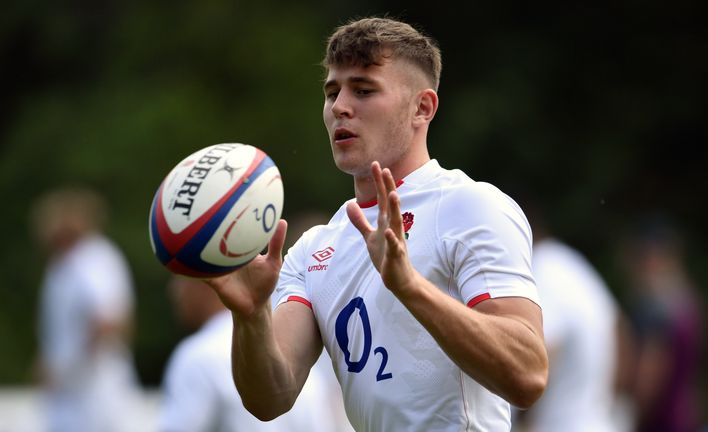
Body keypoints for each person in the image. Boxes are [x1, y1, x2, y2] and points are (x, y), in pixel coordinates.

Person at [206, 16, 548, 431]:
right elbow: (269, 398)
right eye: (332, 92)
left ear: (422, 108)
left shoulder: (470, 206)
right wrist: (250, 315)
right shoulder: (314, 248)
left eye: (363, 90)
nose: (340, 107)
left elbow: (528, 376)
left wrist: (409, 286)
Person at [159, 275, 352, 432]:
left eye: (180, 277)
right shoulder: (302, 365)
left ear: (205, 285)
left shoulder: (197, 356)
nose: (173, 291)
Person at [31, 186, 141, 432]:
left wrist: (68, 366)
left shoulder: (95, 257)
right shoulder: (62, 265)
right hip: (68, 394)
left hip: (95, 391)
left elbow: (107, 320)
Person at [515, 215, 626, 432]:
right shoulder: (572, 264)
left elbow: (544, 349)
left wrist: (523, 419)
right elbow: (621, 329)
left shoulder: (540, 268)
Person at [621, 216, 706, 432]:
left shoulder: (656, 307)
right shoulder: (689, 301)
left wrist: (629, 419)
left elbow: (649, 379)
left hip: (661, 422)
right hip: (688, 415)